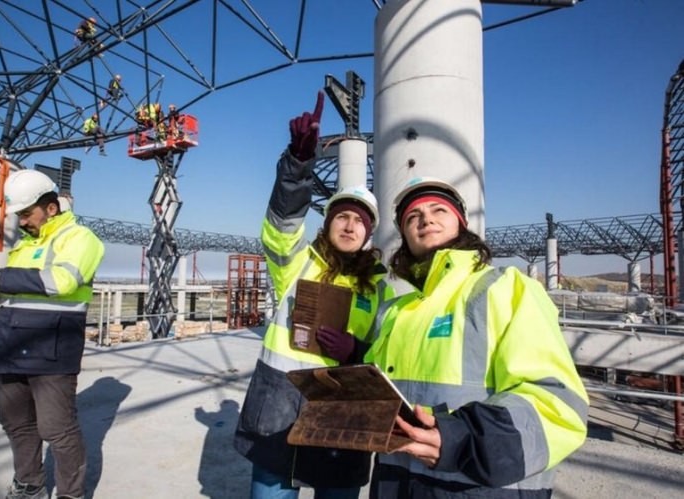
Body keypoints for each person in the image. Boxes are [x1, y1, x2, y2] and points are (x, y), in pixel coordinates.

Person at [362, 177, 589, 498]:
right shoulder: (396, 312)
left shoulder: (506, 288)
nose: (425, 219)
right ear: (404, 237)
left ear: (461, 223)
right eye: (413, 217)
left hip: (480, 486)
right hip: (395, 481)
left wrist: (463, 439)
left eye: (438, 210)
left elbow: (557, 405)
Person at [234, 91, 394, 499]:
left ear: (368, 234)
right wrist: (297, 164)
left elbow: (388, 352)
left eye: (359, 221)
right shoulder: (296, 261)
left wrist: (356, 350)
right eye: (342, 215)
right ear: (328, 223)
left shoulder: (378, 286)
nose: (349, 225)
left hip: (342, 415)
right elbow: (282, 223)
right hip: (280, 410)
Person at [0, 169, 105, 499]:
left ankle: (70, 494)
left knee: (57, 429)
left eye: (26, 214)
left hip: (51, 351)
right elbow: (19, 291)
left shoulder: (80, 238)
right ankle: (29, 485)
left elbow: (62, 282)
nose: (22, 221)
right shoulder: (24, 246)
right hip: (10, 348)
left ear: (51, 208)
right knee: (16, 424)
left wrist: (0, 275)